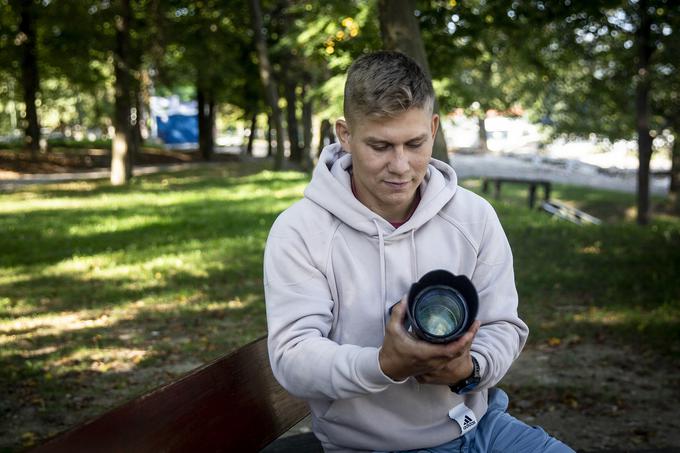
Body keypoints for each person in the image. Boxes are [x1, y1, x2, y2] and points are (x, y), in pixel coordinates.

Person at [264, 50, 574, 453]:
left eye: (415, 143)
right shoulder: (301, 230)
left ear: (433, 127)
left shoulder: (473, 215)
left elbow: (504, 327)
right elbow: (293, 357)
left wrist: (469, 369)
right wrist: (384, 364)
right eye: (380, 145)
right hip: (371, 445)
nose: (400, 165)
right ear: (344, 134)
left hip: (482, 425)